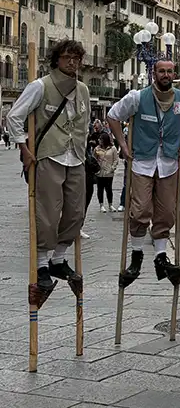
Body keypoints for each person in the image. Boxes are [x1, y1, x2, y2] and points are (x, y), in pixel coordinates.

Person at [7, 39, 91, 295]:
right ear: (57, 59)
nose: (73, 62)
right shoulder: (39, 86)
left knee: (76, 212)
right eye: (67, 58)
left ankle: (59, 259)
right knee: (48, 213)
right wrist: (24, 148)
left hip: (75, 156)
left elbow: (84, 124)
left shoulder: (83, 90)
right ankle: (42, 265)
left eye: (76, 58)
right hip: (49, 156)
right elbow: (14, 116)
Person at [108, 59, 180, 287]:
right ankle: (136, 256)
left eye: (169, 71)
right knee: (139, 210)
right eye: (161, 71)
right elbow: (113, 115)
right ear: (154, 73)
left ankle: (161, 257)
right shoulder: (137, 97)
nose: (166, 75)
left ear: (173, 73)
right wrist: (123, 144)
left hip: (169, 162)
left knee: (167, 212)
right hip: (142, 161)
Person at [94, 132, 119, 213]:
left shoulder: (113, 149)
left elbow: (116, 160)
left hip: (109, 172)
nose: (99, 140)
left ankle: (110, 205)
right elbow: (93, 159)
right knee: (100, 189)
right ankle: (101, 205)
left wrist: (112, 168)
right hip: (99, 172)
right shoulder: (97, 148)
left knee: (109, 189)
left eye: (100, 139)